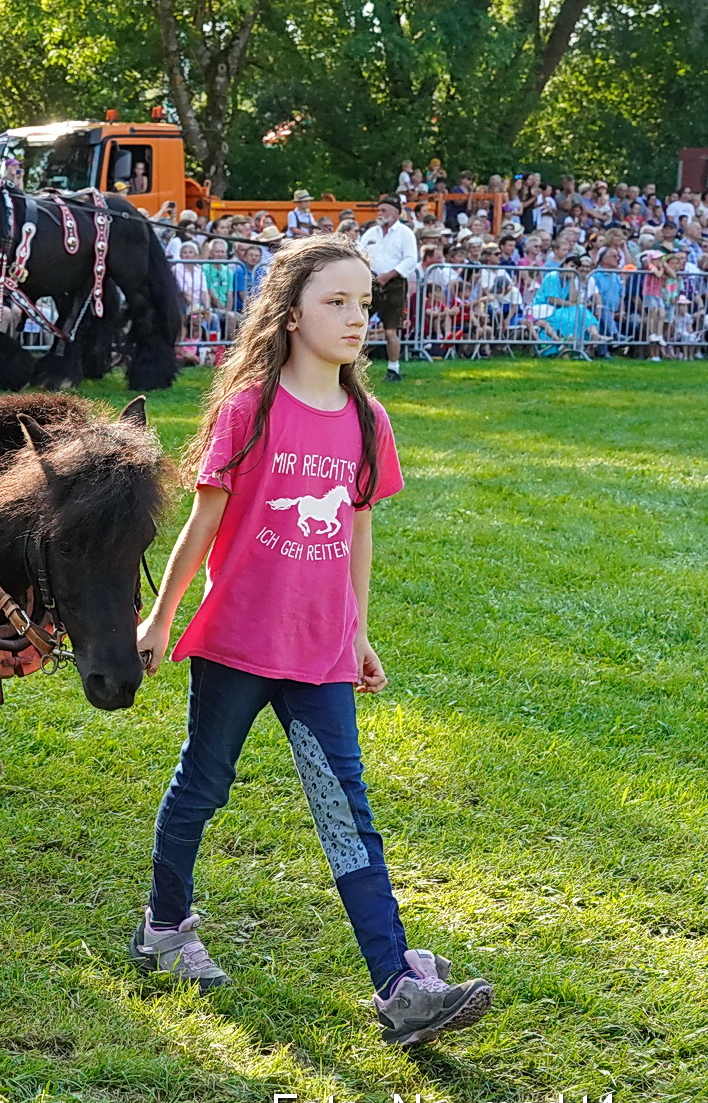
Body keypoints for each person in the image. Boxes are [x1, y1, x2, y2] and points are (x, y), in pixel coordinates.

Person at [128, 233, 493, 1045]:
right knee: (202, 787)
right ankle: (162, 927)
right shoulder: (249, 409)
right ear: (291, 315)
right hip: (236, 643)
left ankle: (399, 986)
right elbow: (204, 521)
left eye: (364, 302)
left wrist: (358, 630)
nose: (356, 317)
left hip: (320, 651)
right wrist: (161, 618)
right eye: (336, 301)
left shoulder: (369, 417)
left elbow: (358, 528)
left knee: (347, 815)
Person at [358, 195, 418, 381]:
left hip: (395, 284)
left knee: (390, 330)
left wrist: (388, 275)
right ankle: (351, 367)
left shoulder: (405, 233)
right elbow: (359, 253)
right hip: (371, 282)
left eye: (383, 210)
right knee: (359, 323)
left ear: (395, 213)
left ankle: (394, 369)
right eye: (379, 210)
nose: (380, 214)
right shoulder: (371, 233)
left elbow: (410, 260)